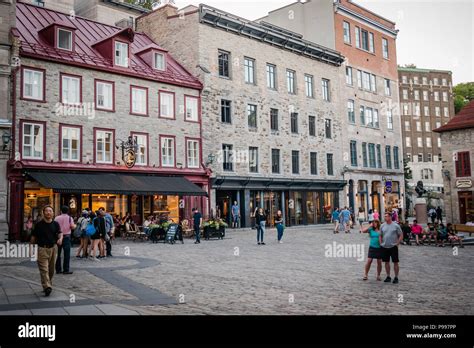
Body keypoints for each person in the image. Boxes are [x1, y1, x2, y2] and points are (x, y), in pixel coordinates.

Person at [30, 205, 62, 297]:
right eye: (46, 211)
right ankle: (47, 286)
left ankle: (48, 284)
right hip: (42, 249)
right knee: (44, 269)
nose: (48, 212)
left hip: (53, 248)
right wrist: (31, 248)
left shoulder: (56, 224)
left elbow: (60, 233)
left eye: (50, 211)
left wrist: (60, 239)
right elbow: (33, 237)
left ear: (53, 213)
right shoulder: (39, 225)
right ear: (43, 213)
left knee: (51, 270)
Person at [380, 212, 403, 284]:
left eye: (386, 216)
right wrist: (381, 243)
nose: (385, 218)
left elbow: (401, 235)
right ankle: (388, 276)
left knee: (395, 262)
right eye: (385, 216)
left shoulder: (396, 226)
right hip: (384, 246)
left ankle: (396, 277)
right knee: (386, 262)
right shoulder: (382, 225)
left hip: (393, 246)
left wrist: (397, 243)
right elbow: (380, 235)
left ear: (390, 217)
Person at [54, 205, 76, 275]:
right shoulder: (70, 218)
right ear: (68, 211)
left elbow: (54, 226)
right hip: (66, 236)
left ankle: (58, 269)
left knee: (58, 254)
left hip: (58, 237)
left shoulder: (56, 218)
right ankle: (66, 270)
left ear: (61, 211)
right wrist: (75, 226)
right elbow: (72, 227)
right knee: (67, 254)